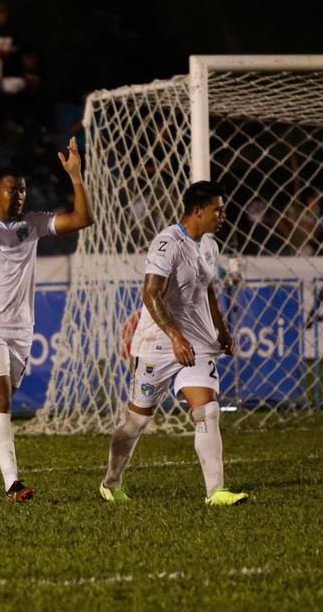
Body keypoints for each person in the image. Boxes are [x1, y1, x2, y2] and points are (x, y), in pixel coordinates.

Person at [0, 137, 93, 502]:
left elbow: (83, 219)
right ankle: (13, 483)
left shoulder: (33, 224)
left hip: (20, 329)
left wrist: (76, 178)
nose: (19, 197)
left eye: (23, 191)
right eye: (12, 190)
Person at [98, 181, 249, 506]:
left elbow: (208, 289)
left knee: (207, 410)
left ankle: (216, 492)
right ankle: (111, 481)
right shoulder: (167, 243)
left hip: (195, 344)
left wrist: (221, 332)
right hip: (157, 344)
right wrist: (175, 335)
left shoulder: (209, 245)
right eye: (217, 209)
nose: (222, 215)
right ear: (198, 211)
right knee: (137, 422)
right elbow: (150, 293)